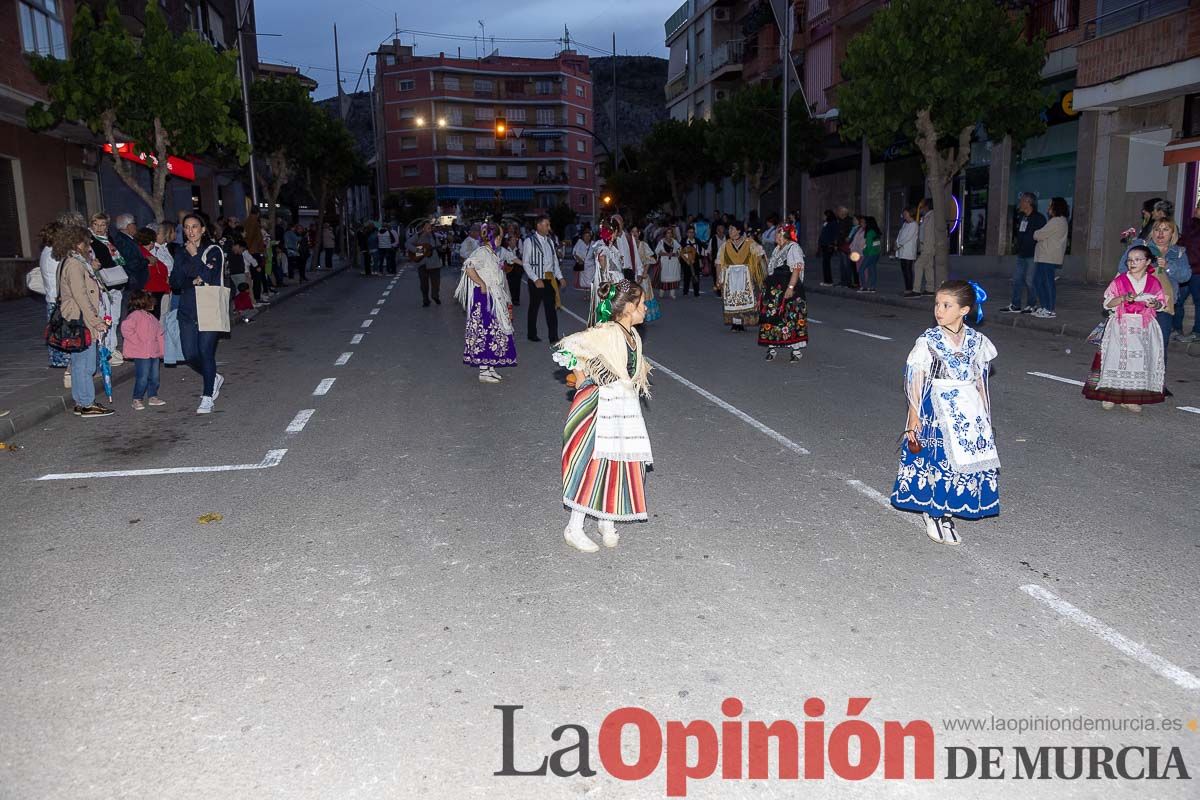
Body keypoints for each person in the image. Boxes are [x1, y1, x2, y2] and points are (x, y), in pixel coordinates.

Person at [891, 280, 999, 545]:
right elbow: (915, 378)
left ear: (964, 310)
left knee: (962, 465)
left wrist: (985, 415)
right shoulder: (929, 341)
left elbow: (980, 380)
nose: (939, 310)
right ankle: (933, 511)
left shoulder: (977, 341)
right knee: (940, 461)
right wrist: (914, 416)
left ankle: (948, 511)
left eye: (946, 305)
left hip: (968, 410)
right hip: (937, 408)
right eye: (937, 304)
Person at [553, 279, 653, 553]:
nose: (646, 308)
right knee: (594, 463)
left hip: (624, 407)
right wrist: (584, 380)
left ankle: (606, 521)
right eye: (642, 304)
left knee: (618, 461)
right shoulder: (609, 332)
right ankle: (574, 527)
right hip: (602, 406)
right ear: (630, 307)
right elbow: (569, 348)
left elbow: (630, 369)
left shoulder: (633, 334)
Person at [1083, 245, 1167, 412]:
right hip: (1121, 325)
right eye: (1130, 260)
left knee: (1139, 362)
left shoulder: (1153, 282)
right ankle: (1109, 395)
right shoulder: (1120, 280)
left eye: (1137, 259)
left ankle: (1131, 398)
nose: (1132, 263)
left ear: (1148, 262)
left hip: (1144, 327)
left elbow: (1161, 304)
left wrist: (1154, 303)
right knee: (1115, 358)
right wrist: (1122, 298)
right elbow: (1107, 303)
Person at [169, 213, 227, 415]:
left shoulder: (213, 250)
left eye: (195, 227)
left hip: (209, 309)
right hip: (187, 309)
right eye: (186, 227)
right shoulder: (179, 252)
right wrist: (192, 280)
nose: (190, 231)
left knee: (205, 352)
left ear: (203, 229)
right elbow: (175, 283)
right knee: (189, 354)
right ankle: (213, 377)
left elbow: (209, 277)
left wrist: (195, 256)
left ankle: (207, 396)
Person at [55, 223, 114, 417]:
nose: (89, 245)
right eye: (86, 241)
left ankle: (81, 401)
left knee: (80, 362)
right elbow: (81, 296)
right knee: (86, 364)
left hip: (76, 319)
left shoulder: (73, 261)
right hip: (81, 320)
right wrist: (96, 321)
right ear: (77, 242)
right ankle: (87, 403)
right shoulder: (74, 264)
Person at [1116, 219, 1191, 354]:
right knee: (1136, 345)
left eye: (1165, 230)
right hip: (1138, 304)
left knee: (1160, 345)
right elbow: (1122, 267)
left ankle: (1157, 375)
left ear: (1173, 234)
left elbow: (1185, 276)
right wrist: (1144, 265)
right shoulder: (1141, 247)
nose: (1160, 234)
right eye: (1157, 229)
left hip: (1164, 305)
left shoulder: (1179, 253)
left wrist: (1168, 267)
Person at [455, 223, 517, 384]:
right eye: (500, 237)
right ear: (495, 237)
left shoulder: (492, 253)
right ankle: (484, 369)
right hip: (484, 297)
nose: (501, 240)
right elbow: (468, 266)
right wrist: (482, 284)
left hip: (493, 296)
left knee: (494, 331)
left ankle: (489, 366)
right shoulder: (482, 252)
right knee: (485, 331)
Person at [757, 224, 808, 363]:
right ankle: (772, 348)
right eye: (777, 234)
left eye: (779, 234)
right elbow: (772, 268)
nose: (776, 236)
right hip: (775, 289)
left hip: (788, 286)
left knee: (790, 316)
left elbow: (796, 269)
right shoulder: (777, 249)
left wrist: (790, 288)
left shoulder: (793, 248)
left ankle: (796, 351)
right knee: (772, 316)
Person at [88, 212, 127, 363]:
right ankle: (106, 349)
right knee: (106, 317)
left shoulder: (108, 239)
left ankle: (112, 347)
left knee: (115, 317)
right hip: (103, 284)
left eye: (102, 224)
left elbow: (115, 259)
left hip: (115, 283)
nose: (99, 228)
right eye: (96, 224)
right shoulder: (90, 241)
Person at [119, 291, 166, 411]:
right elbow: (126, 328)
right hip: (141, 352)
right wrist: (137, 341)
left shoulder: (151, 318)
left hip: (153, 352)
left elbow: (159, 334)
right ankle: (137, 398)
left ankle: (153, 396)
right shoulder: (135, 316)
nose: (154, 305)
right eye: (151, 302)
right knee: (143, 377)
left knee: (155, 376)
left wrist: (162, 350)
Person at [37, 219, 72, 371]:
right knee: (60, 329)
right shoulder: (54, 253)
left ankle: (58, 358)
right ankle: (62, 360)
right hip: (58, 297)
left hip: (52, 297)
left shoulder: (47, 251)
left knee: (56, 328)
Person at [521, 214, 563, 342]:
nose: (548, 228)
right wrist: (535, 279)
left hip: (549, 279)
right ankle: (531, 334)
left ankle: (553, 337)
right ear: (538, 226)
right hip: (536, 280)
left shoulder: (550, 241)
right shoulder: (529, 241)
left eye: (549, 225)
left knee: (551, 308)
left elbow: (554, 261)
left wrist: (560, 277)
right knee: (534, 307)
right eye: (546, 225)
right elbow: (525, 263)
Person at [715, 221, 764, 331]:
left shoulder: (749, 243)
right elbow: (719, 262)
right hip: (730, 276)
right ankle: (735, 323)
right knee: (732, 299)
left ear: (739, 231)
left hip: (744, 275)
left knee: (743, 299)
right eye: (730, 229)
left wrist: (754, 267)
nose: (730, 231)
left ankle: (742, 322)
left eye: (732, 229)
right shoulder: (725, 245)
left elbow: (760, 254)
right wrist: (719, 278)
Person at [1001, 193, 1045, 313]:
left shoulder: (1039, 218)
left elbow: (1042, 236)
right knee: (1016, 279)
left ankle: (1032, 305)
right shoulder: (1022, 217)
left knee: (1030, 280)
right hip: (1021, 254)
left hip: (1033, 255)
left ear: (1028, 202)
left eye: (1022, 201)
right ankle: (1015, 305)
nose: (1019, 203)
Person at [1030, 197, 1070, 318]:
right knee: (1041, 282)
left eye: (1050, 205)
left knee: (1045, 283)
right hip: (1047, 256)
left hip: (1047, 257)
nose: (1048, 208)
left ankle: (1049, 309)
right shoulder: (1061, 221)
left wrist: (1036, 233)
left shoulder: (1056, 221)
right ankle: (1045, 307)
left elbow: (1038, 234)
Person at [1177, 204, 1200, 343]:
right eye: (1198, 207)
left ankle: (1197, 331)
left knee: (1199, 302)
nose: (1197, 210)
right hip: (1186, 269)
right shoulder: (1191, 225)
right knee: (1178, 300)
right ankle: (1177, 328)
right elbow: (1184, 243)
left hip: (1198, 271)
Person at [407, 221, 441, 306]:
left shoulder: (433, 236)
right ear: (423, 228)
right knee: (424, 283)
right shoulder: (417, 236)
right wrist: (419, 251)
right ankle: (425, 299)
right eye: (428, 228)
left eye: (430, 227)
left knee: (436, 282)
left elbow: (439, 246)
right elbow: (407, 244)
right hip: (422, 263)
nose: (430, 229)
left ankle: (435, 295)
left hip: (434, 262)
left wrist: (442, 248)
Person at [632, 225, 661, 323]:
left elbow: (650, 259)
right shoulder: (628, 246)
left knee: (644, 295)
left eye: (636, 232)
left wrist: (644, 272)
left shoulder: (643, 245)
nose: (634, 234)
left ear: (639, 233)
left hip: (643, 275)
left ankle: (644, 315)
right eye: (632, 232)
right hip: (632, 275)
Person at [913, 199, 937, 296]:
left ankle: (916, 290)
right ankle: (930, 289)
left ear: (927, 207)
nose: (920, 209)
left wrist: (928, 246)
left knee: (918, 265)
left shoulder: (932, 216)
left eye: (922, 206)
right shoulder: (926, 217)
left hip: (928, 246)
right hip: (925, 246)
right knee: (928, 267)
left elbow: (930, 234)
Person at [610, 215, 642, 281]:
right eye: (615, 224)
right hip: (615, 273)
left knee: (630, 291)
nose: (618, 226)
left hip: (629, 272)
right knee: (613, 291)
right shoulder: (610, 239)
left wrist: (639, 272)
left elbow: (636, 254)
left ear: (623, 224)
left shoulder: (629, 237)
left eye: (619, 224)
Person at [895, 207, 919, 296]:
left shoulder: (914, 225)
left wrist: (898, 244)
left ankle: (910, 288)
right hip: (902, 250)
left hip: (909, 251)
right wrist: (896, 243)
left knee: (908, 270)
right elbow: (900, 235)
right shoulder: (905, 224)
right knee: (904, 270)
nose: (904, 215)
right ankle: (907, 288)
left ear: (910, 213)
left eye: (905, 213)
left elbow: (907, 237)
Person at [655, 225, 683, 299]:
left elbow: (680, 249)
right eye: (668, 233)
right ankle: (661, 293)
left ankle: (672, 294)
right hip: (665, 262)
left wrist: (677, 253)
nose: (669, 234)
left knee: (673, 277)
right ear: (665, 234)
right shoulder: (661, 242)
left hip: (673, 262)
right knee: (664, 277)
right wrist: (666, 254)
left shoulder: (674, 241)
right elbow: (657, 252)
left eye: (670, 233)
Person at [857, 216, 882, 293]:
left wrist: (864, 251)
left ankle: (864, 287)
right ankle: (872, 287)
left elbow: (868, 245)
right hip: (876, 253)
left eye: (865, 222)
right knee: (873, 270)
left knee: (861, 269)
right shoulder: (875, 231)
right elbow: (877, 244)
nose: (863, 224)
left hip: (870, 254)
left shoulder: (869, 232)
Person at [499, 232, 524, 306]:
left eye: (515, 240)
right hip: (508, 270)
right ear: (508, 242)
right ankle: (508, 299)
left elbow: (519, 259)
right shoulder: (505, 250)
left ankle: (516, 299)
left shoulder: (518, 250)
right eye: (512, 240)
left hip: (517, 270)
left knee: (517, 285)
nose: (514, 242)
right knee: (509, 285)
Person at [817, 209, 838, 287]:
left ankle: (829, 281)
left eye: (824, 215)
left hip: (829, 246)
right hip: (824, 245)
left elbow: (834, 235)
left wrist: (833, 244)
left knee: (826, 263)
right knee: (825, 264)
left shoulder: (833, 223)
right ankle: (826, 280)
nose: (823, 217)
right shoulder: (826, 223)